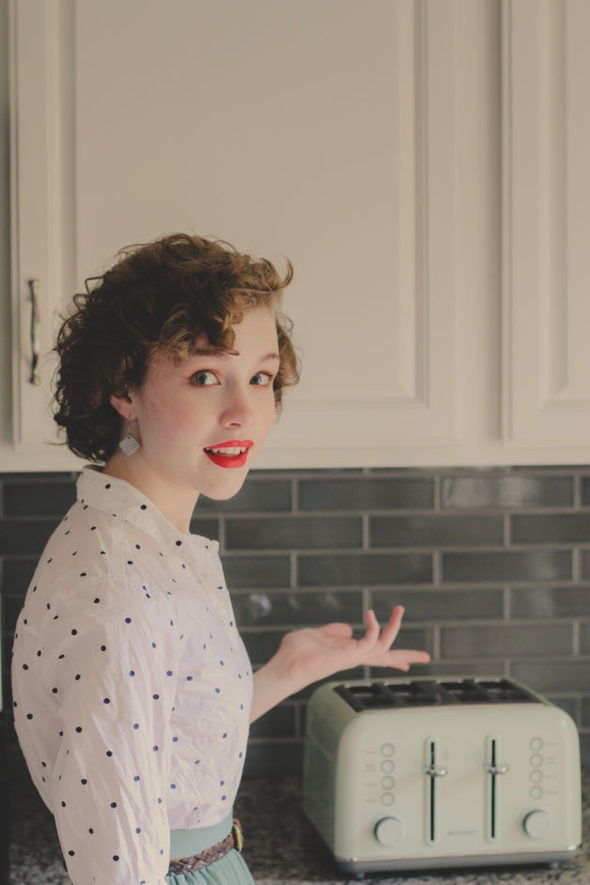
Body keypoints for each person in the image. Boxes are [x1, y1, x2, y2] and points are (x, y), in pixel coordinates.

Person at [11, 233, 430, 884]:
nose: (245, 412)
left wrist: (287, 670)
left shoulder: (149, 543)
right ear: (124, 389)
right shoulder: (115, 583)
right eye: (205, 375)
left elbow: (165, 740)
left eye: (259, 377)